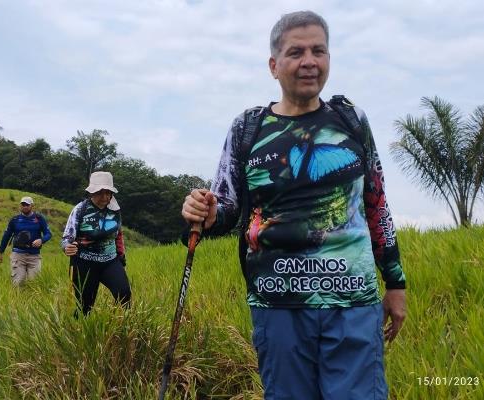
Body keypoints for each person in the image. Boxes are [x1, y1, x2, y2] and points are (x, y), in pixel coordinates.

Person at [181, 10, 406, 400]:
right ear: (274, 65)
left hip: (352, 299)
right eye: (296, 52)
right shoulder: (248, 129)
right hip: (277, 301)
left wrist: (396, 283)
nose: (309, 62)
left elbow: (376, 203)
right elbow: (227, 204)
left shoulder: (351, 120)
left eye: (319, 51)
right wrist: (207, 210)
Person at [61, 171, 131, 316]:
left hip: (110, 261)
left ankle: (123, 324)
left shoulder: (115, 209)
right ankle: (80, 327)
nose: (105, 197)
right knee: (85, 306)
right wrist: (67, 246)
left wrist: (121, 256)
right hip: (84, 263)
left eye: (108, 193)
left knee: (124, 293)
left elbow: (118, 235)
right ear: (92, 192)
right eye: (100, 193)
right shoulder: (81, 209)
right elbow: (67, 237)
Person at [0, 196, 52, 286]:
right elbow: (6, 236)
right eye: (23, 204)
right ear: (20, 206)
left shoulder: (39, 218)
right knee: (18, 282)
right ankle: (17, 295)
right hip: (18, 255)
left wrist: (41, 240)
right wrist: (0, 252)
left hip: (34, 256)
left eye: (27, 205)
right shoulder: (14, 220)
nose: (25, 206)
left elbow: (48, 234)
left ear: (32, 206)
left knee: (35, 283)